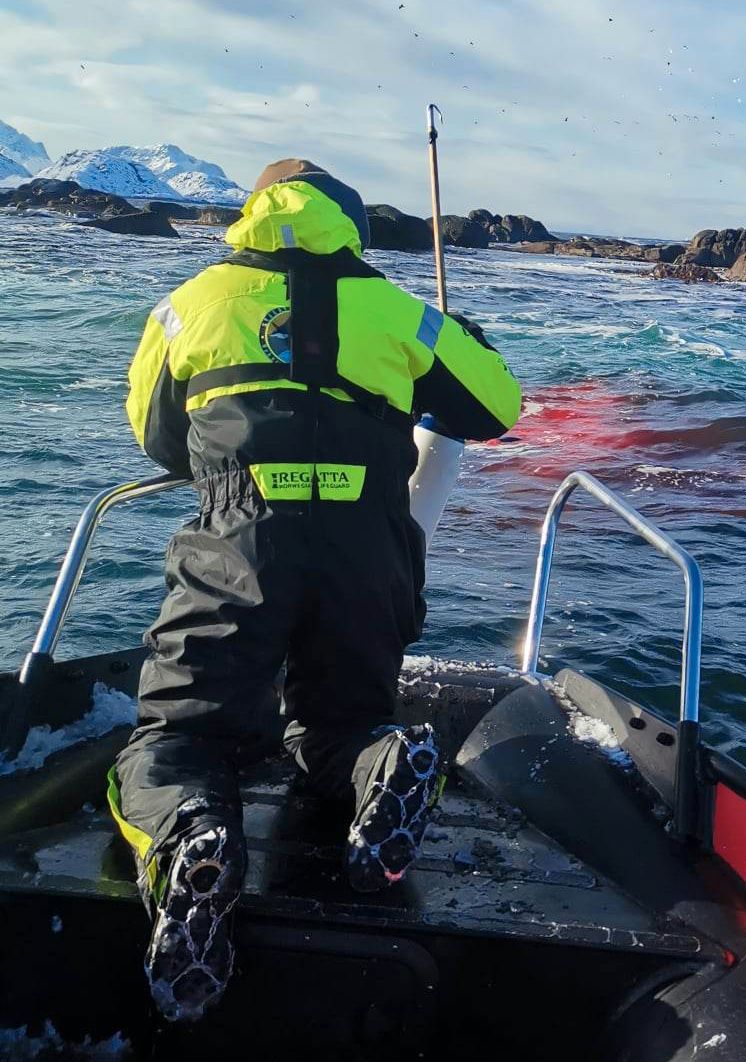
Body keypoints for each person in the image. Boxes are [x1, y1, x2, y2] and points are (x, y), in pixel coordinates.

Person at [107, 159, 521, 1022]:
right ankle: (381, 762)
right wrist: (462, 340)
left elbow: (157, 437)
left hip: (242, 539)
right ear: (350, 225)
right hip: (369, 549)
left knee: (176, 741)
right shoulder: (397, 311)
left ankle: (191, 834)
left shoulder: (188, 304)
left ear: (252, 214)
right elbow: (496, 408)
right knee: (337, 726)